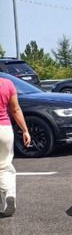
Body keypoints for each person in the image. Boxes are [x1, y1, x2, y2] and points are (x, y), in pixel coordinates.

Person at [0, 75, 31, 217]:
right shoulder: (7, 84)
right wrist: (25, 130)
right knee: (4, 166)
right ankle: (9, 195)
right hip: (4, 130)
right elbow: (15, 109)